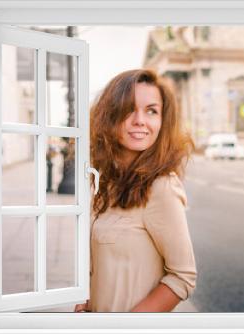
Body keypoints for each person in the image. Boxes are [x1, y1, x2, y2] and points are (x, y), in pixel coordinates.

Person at [74, 69, 197, 312]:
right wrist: (85, 302)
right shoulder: (104, 182)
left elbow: (183, 276)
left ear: (162, 121)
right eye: (129, 109)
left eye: (151, 111)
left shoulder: (160, 186)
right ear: (110, 115)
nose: (140, 120)